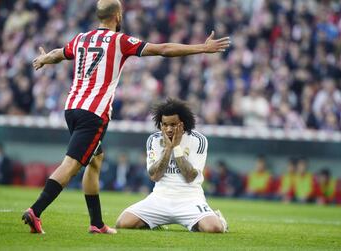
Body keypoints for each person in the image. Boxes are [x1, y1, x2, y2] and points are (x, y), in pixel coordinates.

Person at [22, 0, 231, 235]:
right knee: (71, 165)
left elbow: (58, 54)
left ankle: (97, 223)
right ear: (118, 16)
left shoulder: (81, 38)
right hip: (94, 112)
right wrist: (201, 48)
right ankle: (36, 210)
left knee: (95, 159)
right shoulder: (119, 41)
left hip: (71, 108)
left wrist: (43, 59)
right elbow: (162, 49)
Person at [116, 98, 228, 233]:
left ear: (183, 123)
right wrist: (168, 149)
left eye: (173, 124)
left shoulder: (198, 140)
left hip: (189, 199)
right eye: (165, 124)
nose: (168, 129)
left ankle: (218, 219)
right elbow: (154, 176)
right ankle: (156, 223)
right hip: (159, 199)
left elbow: (190, 176)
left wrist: (176, 147)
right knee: (123, 223)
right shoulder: (154, 140)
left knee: (214, 228)